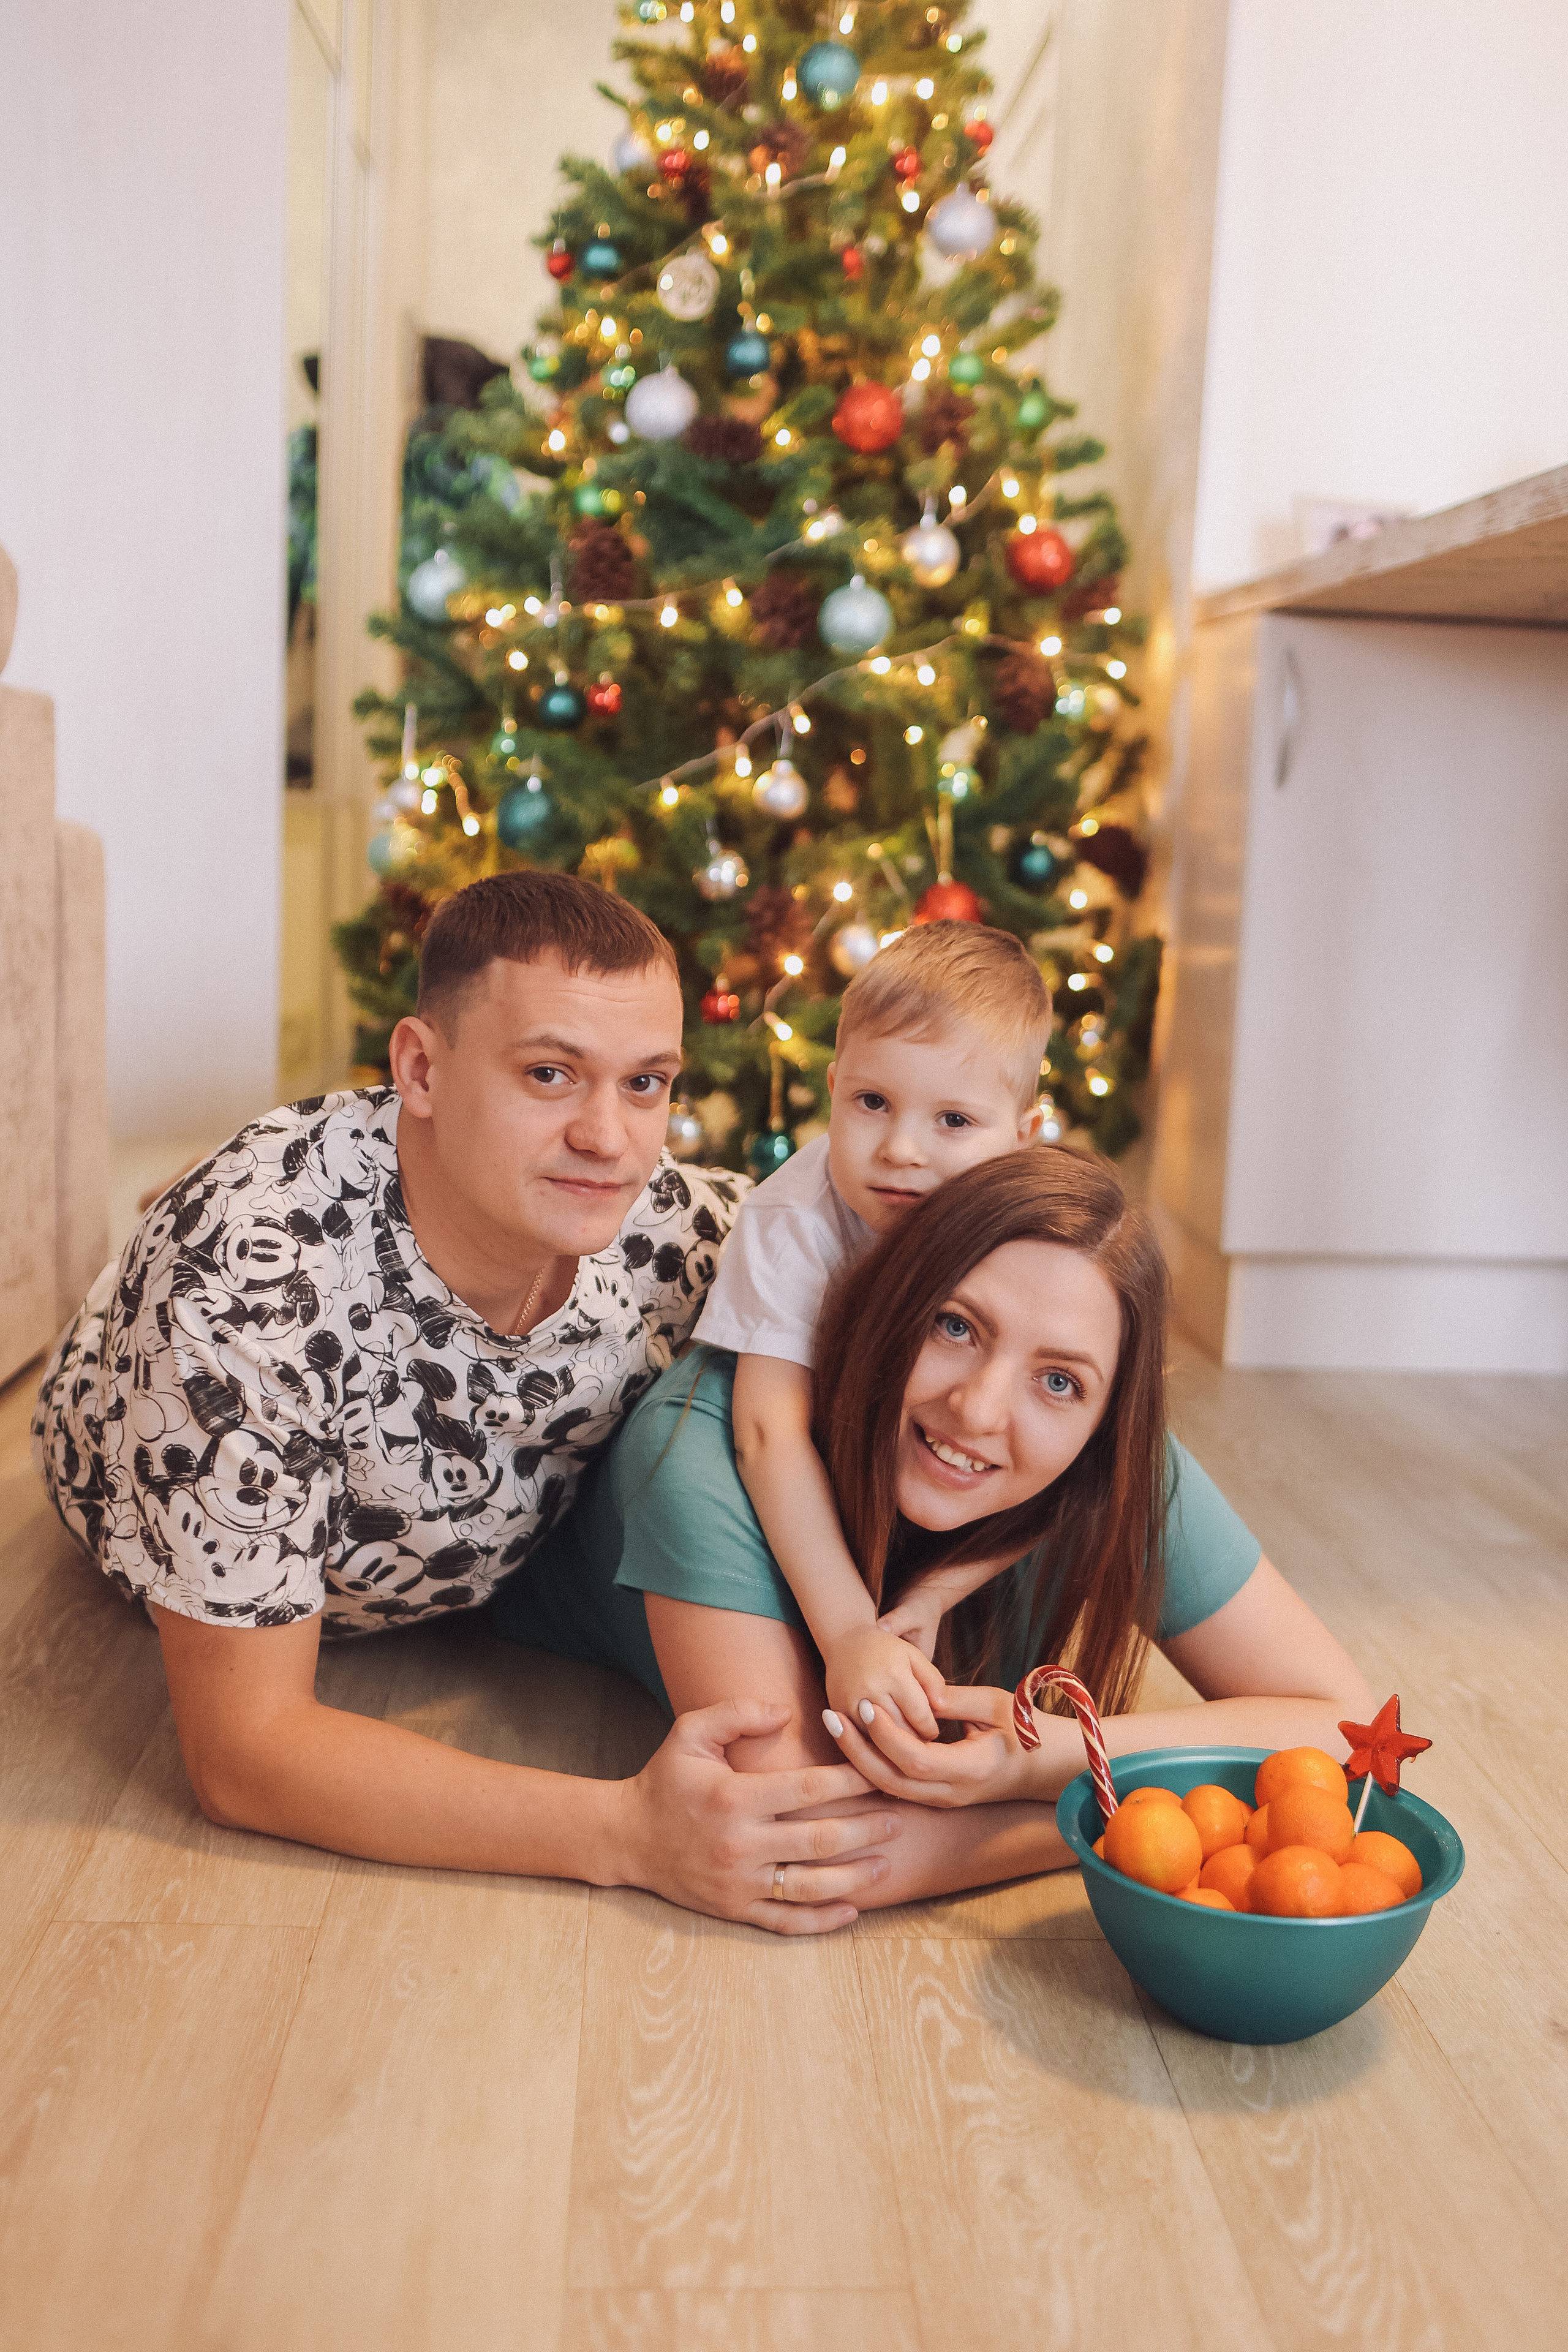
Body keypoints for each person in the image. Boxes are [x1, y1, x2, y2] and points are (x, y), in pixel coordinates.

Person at [32, 870, 892, 1933]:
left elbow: (910, 1281)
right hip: (187, 1472)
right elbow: (244, 1756)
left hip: (507, 1550)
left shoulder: (677, 1225)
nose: (609, 1139)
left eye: (647, 1083)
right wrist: (626, 1834)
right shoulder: (246, 1286)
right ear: (421, 1068)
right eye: (549, 1073)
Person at [497, 1147, 1374, 1917]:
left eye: (1060, 1382)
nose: (979, 1410)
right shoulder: (701, 1450)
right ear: (894, 1298)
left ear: (1110, 1419)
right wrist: (1114, 1814)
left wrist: (1043, 1762)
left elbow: (1349, 1723)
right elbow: (810, 1840)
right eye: (956, 1327)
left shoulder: (1110, 1467)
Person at [693, 923, 1050, 1745]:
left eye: (954, 1120)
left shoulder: (1027, 1222)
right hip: (829, 1464)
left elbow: (1079, 1456)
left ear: (1021, 1138)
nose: (900, 1149)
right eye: (872, 1102)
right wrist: (849, 1633)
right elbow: (766, 1430)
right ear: (833, 1087)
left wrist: (933, 1597)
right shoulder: (795, 1220)